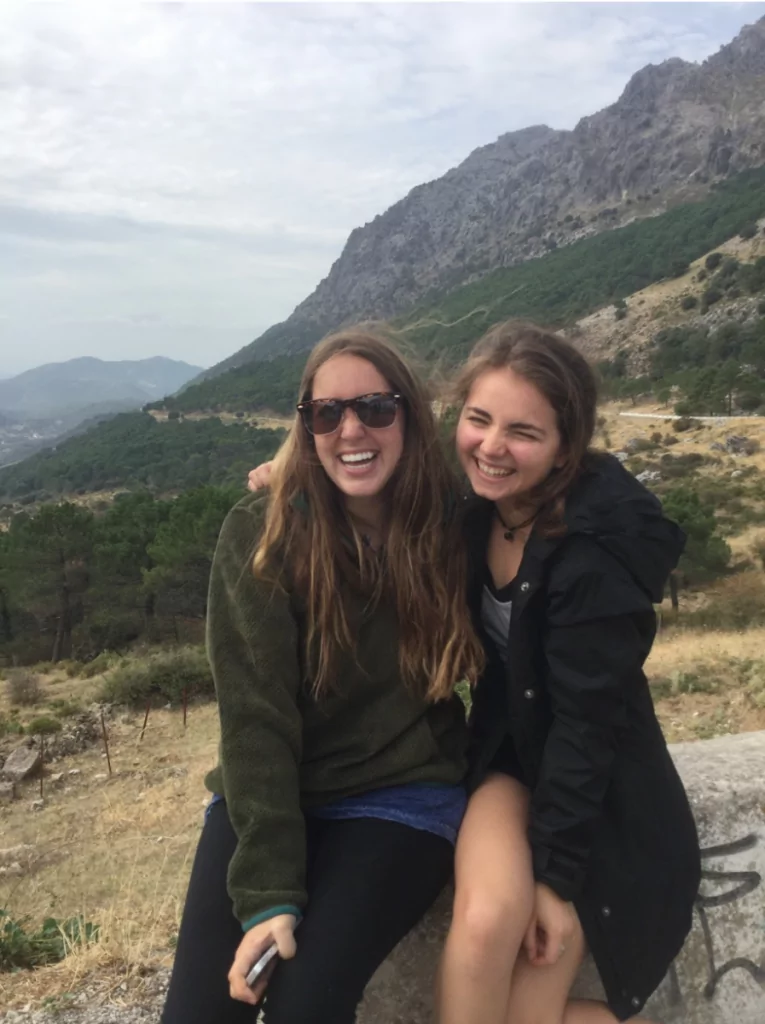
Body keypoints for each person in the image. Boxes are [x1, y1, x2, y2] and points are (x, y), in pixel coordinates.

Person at [162, 328, 485, 1024]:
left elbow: (549, 484)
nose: (350, 429)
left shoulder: (453, 523)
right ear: (304, 429)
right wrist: (269, 895)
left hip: (399, 795)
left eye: (374, 408)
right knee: (197, 1014)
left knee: (304, 1006)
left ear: (410, 416)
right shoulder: (262, 534)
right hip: (277, 795)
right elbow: (255, 720)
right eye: (326, 414)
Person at [437, 321, 700, 1024]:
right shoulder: (476, 509)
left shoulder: (592, 557)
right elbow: (392, 491)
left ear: (562, 448)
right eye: (478, 419)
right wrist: (298, 475)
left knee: (532, 1003)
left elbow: (587, 727)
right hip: (507, 756)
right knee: (486, 920)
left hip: (602, 796)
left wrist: (555, 881)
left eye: (522, 432)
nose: (492, 446)